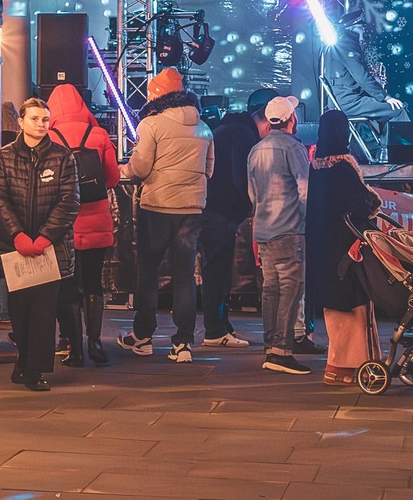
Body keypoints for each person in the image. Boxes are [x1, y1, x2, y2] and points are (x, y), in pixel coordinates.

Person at [119, 68, 213, 363]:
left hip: (157, 207)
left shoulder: (152, 124)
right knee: (184, 274)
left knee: (148, 272)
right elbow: (210, 170)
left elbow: (141, 167)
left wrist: (124, 170)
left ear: (157, 96)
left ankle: (143, 337)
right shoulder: (204, 127)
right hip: (191, 209)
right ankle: (183, 343)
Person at [0, 97, 79, 391]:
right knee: (19, 310)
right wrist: (17, 235)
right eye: (34, 119)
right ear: (21, 122)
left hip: (49, 249)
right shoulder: (5, 156)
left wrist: (43, 238)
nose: (40, 124)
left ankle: (34, 370)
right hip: (15, 248)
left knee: (43, 310)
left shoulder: (63, 156)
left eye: (44, 119)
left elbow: (69, 201)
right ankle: (23, 362)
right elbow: (0, 200)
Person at [306, 111, 381, 386]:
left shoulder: (316, 167)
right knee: (355, 307)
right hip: (348, 249)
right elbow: (361, 204)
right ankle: (347, 366)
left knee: (333, 309)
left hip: (322, 248)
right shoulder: (345, 168)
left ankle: (335, 364)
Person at [46, 83, 119, 367]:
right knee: (93, 283)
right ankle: (96, 342)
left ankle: (73, 347)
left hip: (62, 224)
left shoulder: (49, 136)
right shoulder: (99, 135)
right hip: (96, 221)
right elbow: (111, 179)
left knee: (66, 285)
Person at [201, 89, 270, 350]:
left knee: (216, 269)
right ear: (263, 119)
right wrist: (251, 203)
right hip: (221, 210)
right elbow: (241, 177)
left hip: (214, 208)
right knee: (217, 270)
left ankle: (220, 324)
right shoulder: (242, 134)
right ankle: (215, 329)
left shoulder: (230, 128)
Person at [248, 95, 312, 375]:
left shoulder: (256, 149)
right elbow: (304, 190)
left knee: (270, 289)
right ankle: (281, 351)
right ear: (291, 120)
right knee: (290, 289)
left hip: (264, 229)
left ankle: (270, 346)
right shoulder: (293, 148)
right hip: (289, 230)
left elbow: (253, 194)